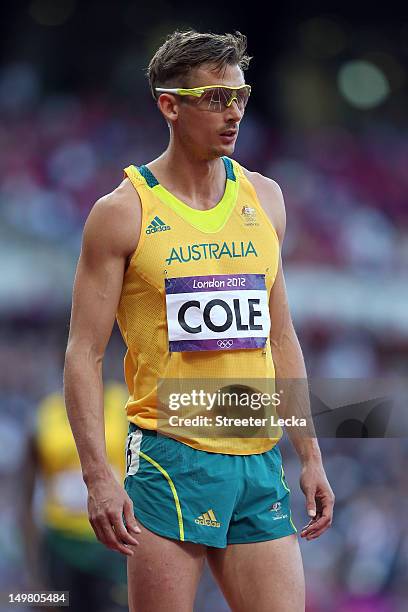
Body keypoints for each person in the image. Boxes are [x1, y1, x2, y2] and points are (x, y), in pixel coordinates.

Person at [64, 29, 335, 612]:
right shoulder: (122, 213)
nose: (232, 112)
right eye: (214, 99)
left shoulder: (265, 199)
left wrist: (310, 454)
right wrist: (98, 476)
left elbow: (279, 336)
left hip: (259, 459)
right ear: (170, 105)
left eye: (239, 97)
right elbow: (83, 354)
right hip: (171, 457)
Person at [21, 383, 129, 612]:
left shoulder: (126, 406)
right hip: (60, 547)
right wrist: (33, 573)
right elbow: (25, 499)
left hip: (113, 546)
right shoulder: (45, 413)